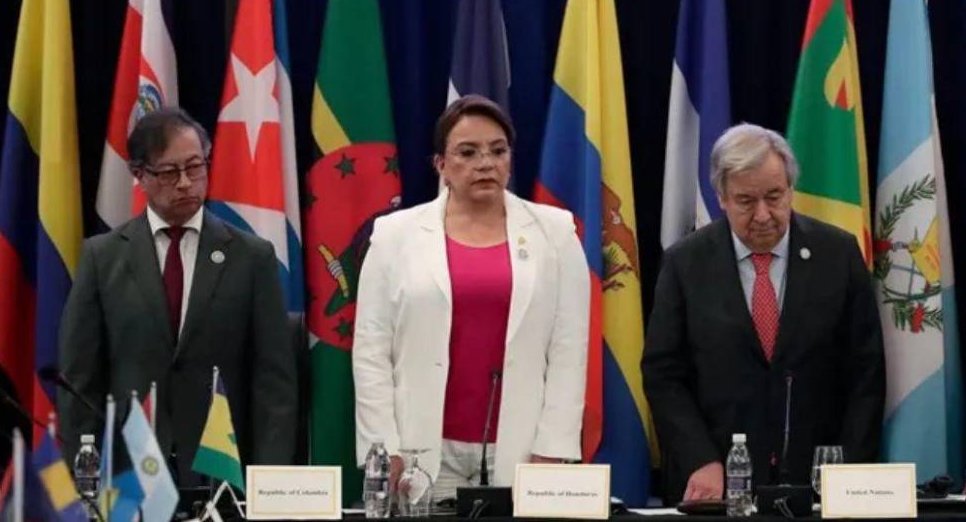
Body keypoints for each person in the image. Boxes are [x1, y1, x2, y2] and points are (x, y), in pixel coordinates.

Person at [352, 95, 589, 499]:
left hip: (523, 449)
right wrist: (384, 448)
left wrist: (553, 447)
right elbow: (371, 350)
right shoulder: (394, 236)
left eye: (498, 151)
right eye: (468, 152)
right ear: (440, 164)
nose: (485, 163)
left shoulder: (556, 234)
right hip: (418, 450)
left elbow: (570, 350)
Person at [642, 123, 885, 503]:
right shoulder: (685, 263)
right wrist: (699, 459)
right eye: (745, 200)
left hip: (818, 483)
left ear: (790, 189)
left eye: (774, 197)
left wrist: (848, 469)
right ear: (721, 197)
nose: (762, 215)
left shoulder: (837, 255)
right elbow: (663, 375)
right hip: (716, 485)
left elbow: (866, 374)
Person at [58, 107, 297, 482]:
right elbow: (79, 382)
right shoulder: (102, 259)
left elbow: (274, 385)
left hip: (222, 473)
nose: (186, 182)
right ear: (139, 174)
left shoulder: (251, 257)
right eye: (169, 172)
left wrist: (269, 482)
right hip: (130, 477)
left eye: (195, 167)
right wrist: (83, 479)